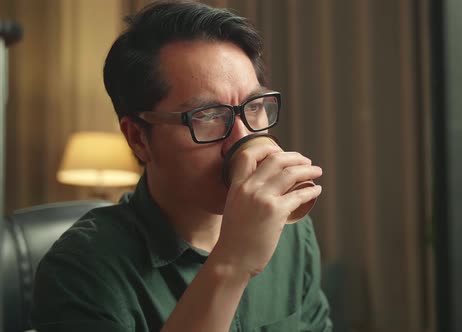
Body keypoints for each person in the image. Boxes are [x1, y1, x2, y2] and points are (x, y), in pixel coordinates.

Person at [30, 1, 332, 331]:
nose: (242, 140)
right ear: (138, 139)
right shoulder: (79, 269)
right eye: (208, 116)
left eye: (254, 106)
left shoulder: (291, 229)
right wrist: (232, 263)